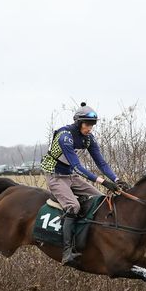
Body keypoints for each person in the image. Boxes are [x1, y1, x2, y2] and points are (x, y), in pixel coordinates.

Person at [41, 102, 128, 265]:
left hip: (70, 175)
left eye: (92, 125)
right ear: (78, 122)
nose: (90, 128)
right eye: (87, 124)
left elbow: (101, 163)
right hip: (55, 176)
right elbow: (77, 166)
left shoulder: (88, 139)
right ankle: (66, 252)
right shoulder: (64, 135)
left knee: (102, 200)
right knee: (73, 207)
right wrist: (103, 181)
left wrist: (116, 179)